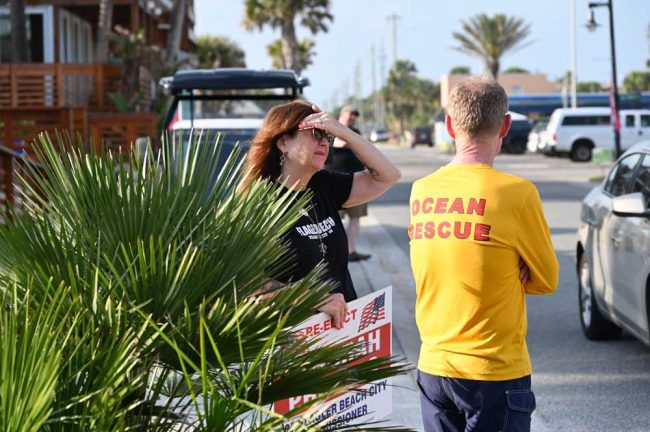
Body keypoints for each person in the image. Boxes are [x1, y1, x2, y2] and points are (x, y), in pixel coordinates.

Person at [409, 77, 559, 432]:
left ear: (449, 125)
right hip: (493, 371)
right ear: (505, 125)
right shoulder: (517, 193)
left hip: (434, 367)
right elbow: (547, 279)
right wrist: (514, 267)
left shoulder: (422, 190)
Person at [243, 100, 400, 328]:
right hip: (293, 343)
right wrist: (308, 297)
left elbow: (388, 175)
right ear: (283, 142)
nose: (324, 143)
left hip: (344, 333)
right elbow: (248, 285)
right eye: (315, 134)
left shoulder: (324, 185)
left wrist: (343, 131)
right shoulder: (258, 202)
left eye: (327, 137)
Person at [325, 105, 372, 262]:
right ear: (342, 113)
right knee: (332, 219)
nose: (352, 117)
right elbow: (340, 143)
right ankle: (333, 253)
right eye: (350, 114)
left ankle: (351, 251)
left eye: (355, 115)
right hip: (334, 181)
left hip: (355, 180)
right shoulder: (331, 130)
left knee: (355, 218)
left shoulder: (355, 132)